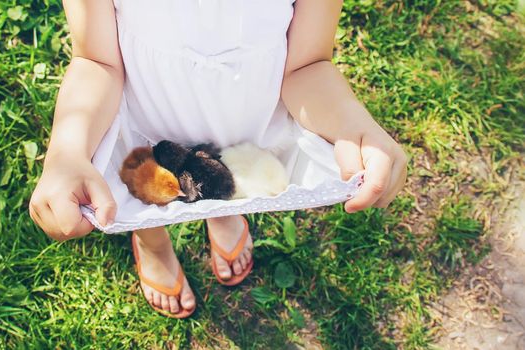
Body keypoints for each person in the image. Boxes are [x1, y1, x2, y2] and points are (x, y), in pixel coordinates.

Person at [29, 0, 407, 318]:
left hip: (242, 120)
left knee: (225, 181)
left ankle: (222, 212)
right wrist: (67, 152)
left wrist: (353, 125)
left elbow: (306, 65)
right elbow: (98, 61)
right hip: (150, 117)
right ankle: (152, 242)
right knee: (147, 187)